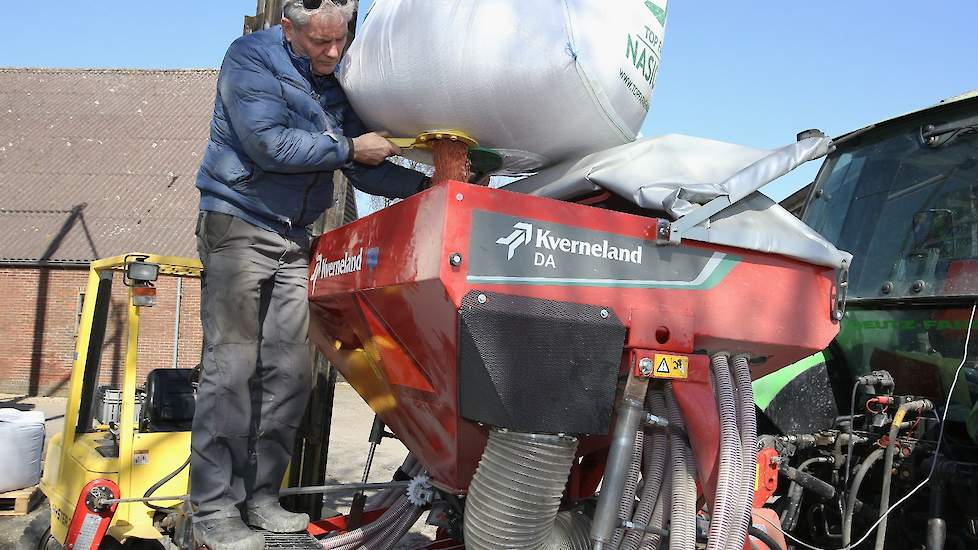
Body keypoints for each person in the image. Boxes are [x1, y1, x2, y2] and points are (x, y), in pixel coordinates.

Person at [190, 1, 427, 548]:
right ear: (287, 27)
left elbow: (363, 162)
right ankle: (213, 509)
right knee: (232, 370)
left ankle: (263, 497)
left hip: (293, 238)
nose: (334, 53)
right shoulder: (250, 59)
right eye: (322, 42)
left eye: (341, 40)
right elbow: (269, 144)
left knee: (290, 374)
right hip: (239, 225)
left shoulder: (331, 80)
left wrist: (426, 186)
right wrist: (349, 145)